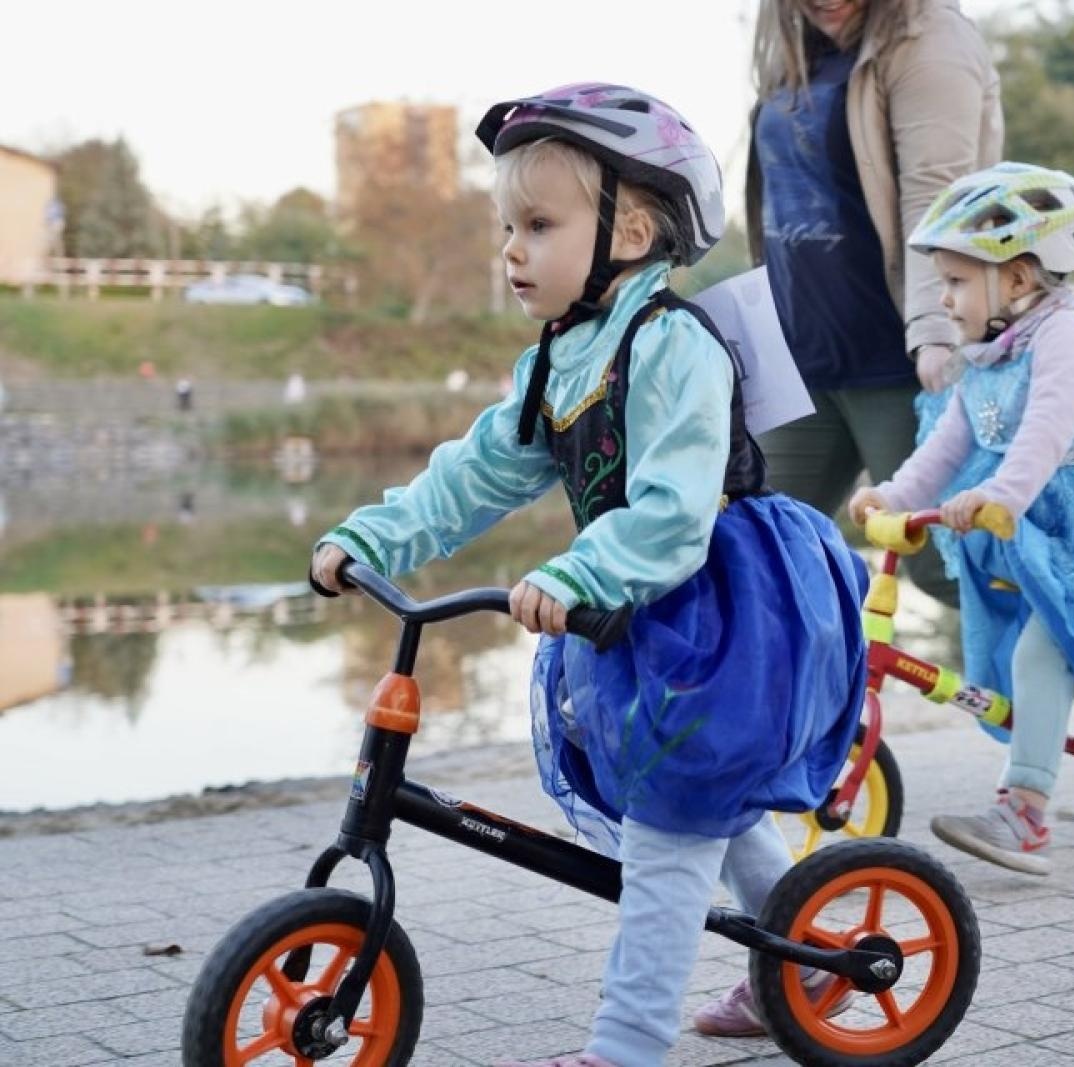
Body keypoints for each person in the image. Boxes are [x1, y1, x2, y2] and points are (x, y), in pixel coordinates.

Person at [309, 84, 869, 1067]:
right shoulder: (560, 357)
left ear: (634, 228)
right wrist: (376, 537)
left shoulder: (672, 346)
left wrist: (576, 571)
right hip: (631, 612)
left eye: (538, 224)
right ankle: (809, 954)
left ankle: (626, 1045)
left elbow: (672, 512)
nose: (512, 249)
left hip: (719, 610)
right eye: (504, 228)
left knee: (668, 837)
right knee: (697, 804)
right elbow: (479, 471)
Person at [849, 162, 1074, 876]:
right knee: (1012, 652)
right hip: (1023, 520)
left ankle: (1027, 813)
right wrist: (894, 496)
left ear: (1021, 278)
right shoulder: (988, 355)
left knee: (1046, 650)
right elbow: (948, 443)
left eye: (958, 281)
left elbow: (1046, 431)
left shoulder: (1064, 337)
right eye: (944, 282)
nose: (944, 298)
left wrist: (1001, 494)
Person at [747, 0, 1002, 605]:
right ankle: (804, 696)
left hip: (899, 360)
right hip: (801, 361)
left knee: (943, 562)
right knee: (752, 549)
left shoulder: (931, 41)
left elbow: (938, 202)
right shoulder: (796, 47)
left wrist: (937, 334)